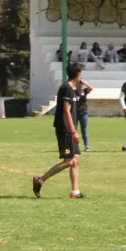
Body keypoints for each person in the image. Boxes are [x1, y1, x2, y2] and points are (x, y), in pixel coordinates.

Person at [33, 61, 84, 199]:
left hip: (69, 129)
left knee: (76, 159)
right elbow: (66, 111)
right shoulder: (66, 88)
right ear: (78, 74)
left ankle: (75, 192)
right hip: (65, 130)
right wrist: (73, 131)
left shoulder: (71, 88)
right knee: (69, 161)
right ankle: (40, 180)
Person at [75, 66, 94, 151]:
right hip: (74, 113)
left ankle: (87, 146)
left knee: (84, 130)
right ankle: (74, 146)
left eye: (81, 83)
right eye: (79, 83)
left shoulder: (84, 91)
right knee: (74, 130)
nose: (80, 84)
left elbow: (91, 88)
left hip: (83, 113)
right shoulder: (72, 91)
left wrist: (85, 82)